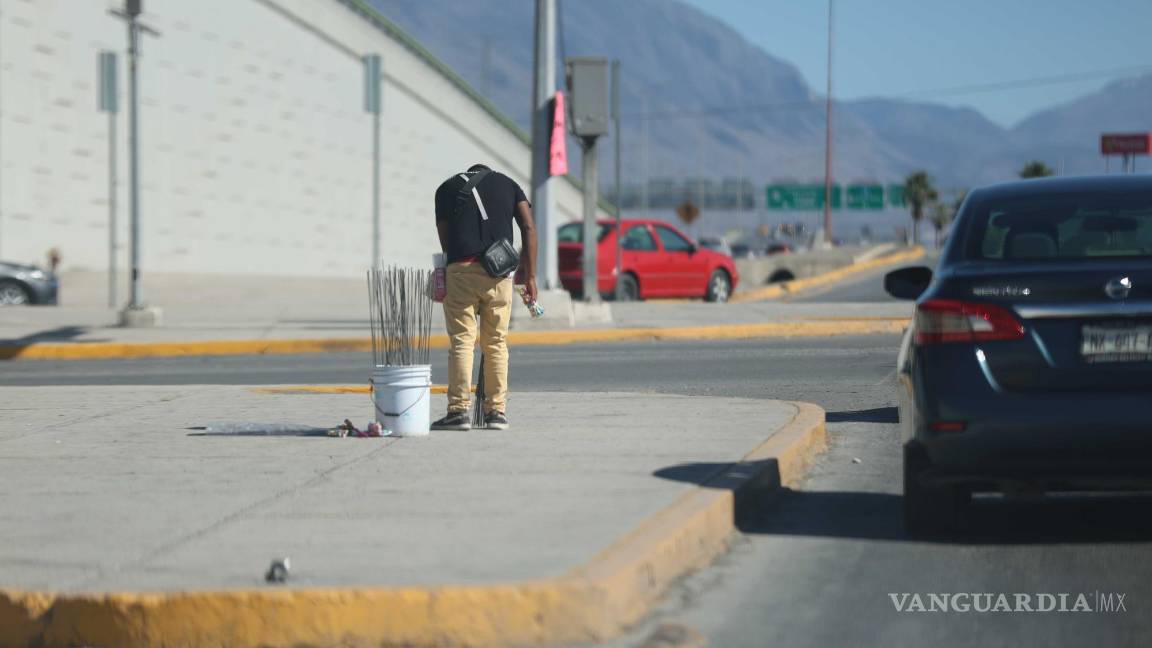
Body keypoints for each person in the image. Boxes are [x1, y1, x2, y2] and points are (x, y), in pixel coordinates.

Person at [431, 164, 537, 431]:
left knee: (462, 341)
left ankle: (458, 411)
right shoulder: (509, 184)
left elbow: (445, 242)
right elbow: (528, 227)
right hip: (499, 273)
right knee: (496, 343)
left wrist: (451, 271)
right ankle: (496, 413)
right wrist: (530, 275)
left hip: (461, 270)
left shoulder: (446, 188)